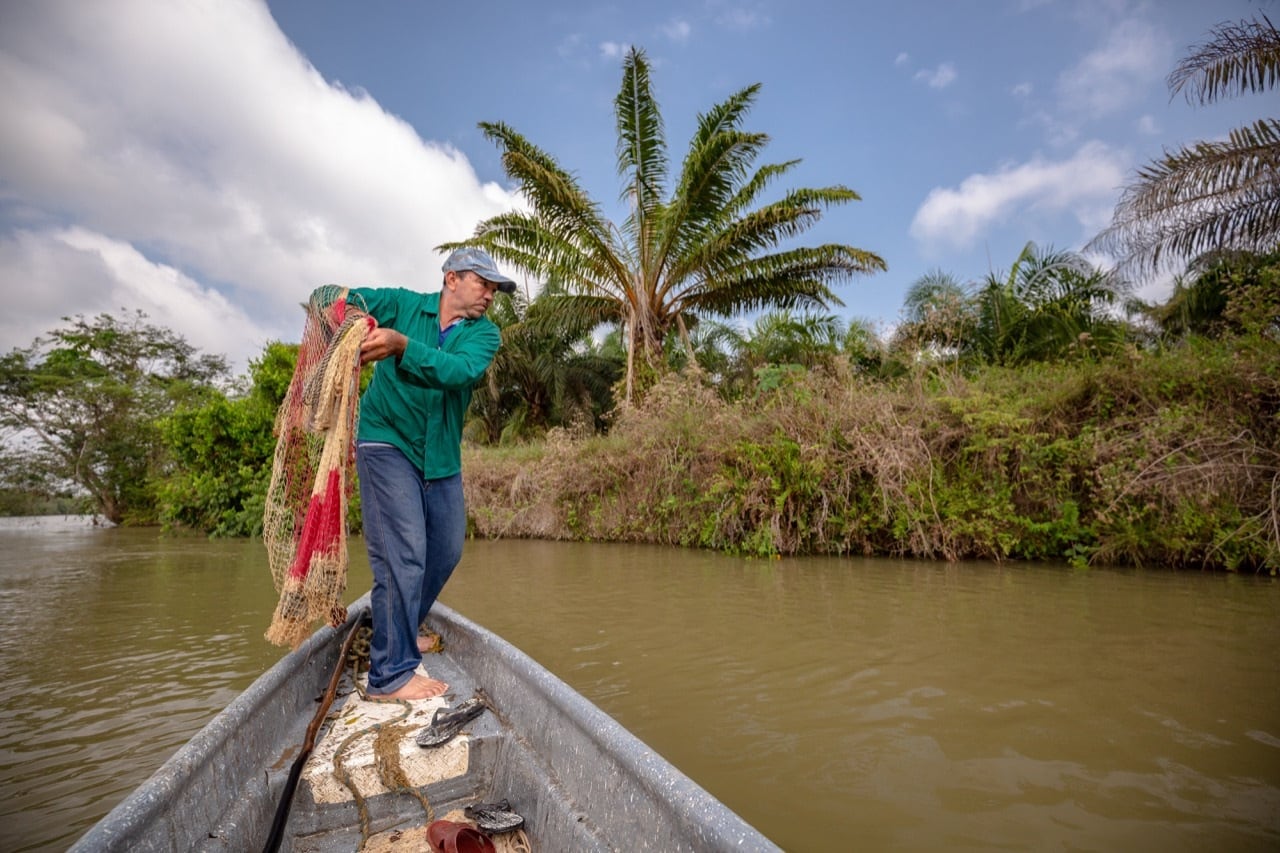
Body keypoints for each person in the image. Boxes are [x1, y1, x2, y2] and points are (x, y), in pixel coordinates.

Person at [317, 247, 516, 701]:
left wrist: (401, 346)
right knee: (404, 553)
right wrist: (337, 307)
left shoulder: (485, 336)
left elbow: (456, 371)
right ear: (451, 279)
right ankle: (389, 675)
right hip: (387, 442)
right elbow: (329, 297)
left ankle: (398, 632)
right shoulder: (404, 305)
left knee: (444, 551)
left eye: (494, 289)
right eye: (482, 284)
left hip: (440, 458)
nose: (489, 295)